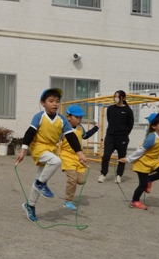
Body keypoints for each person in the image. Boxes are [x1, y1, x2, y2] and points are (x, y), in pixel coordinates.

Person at [15, 88, 87, 222]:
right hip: (38, 148)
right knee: (56, 161)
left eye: (57, 101)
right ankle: (40, 184)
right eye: (51, 101)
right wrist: (23, 150)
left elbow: (71, 137)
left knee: (39, 178)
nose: (55, 104)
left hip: (51, 149)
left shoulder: (62, 120)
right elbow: (29, 133)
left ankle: (30, 205)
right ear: (43, 103)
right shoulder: (39, 116)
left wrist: (80, 154)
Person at [118, 112, 159, 210]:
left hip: (153, 161)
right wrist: (128, 159)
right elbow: (140, 150)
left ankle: (149, 179)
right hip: (142, 162)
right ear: (154, 126)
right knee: (142, 185)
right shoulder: (152, 138)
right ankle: (134, 201)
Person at [59, 105, 99, 211]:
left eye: (80, 117)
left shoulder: (80, 128)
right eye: (77, 117)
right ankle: (68, 201)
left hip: (79, 157)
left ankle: (72, 187)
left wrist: (96, 128)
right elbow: (55, 139)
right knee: (72, 179)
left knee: (81, 181)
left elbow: (85, 136)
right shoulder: (63, 129)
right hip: (67, 156)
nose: (79, 119)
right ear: (68, 117)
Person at [98, 90, 134, 184]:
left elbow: (130, 125)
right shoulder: (110, 108)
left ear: (123, 98)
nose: (116, 98)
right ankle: (103, 174)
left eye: (118, 96)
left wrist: (124, 134)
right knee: (106, 155)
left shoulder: (128, 110)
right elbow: (109, 120)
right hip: (110, 136)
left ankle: (118, 175)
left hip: (122, 137)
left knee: (121, 157)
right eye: (115, 96)